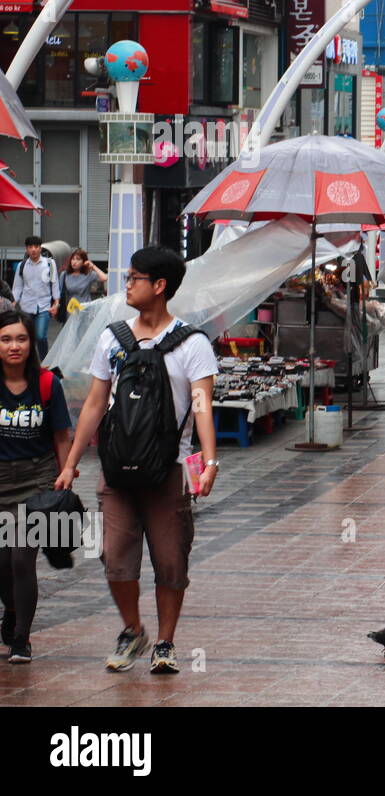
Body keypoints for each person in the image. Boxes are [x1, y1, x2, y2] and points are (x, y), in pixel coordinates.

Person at [55, 247, 219, 676]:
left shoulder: (193, 343)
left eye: (134, 278)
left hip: (171, 470)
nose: (125, 284)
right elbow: (93, 404)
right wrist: (72, 462)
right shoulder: (113, 338)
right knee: (115, 557)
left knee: (170, 561)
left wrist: (210, 461)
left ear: (159, 286)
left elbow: (202, 403)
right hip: (117, 469)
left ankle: (165, 642)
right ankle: (133, 629)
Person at [0, 311, 74, 664]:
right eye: (6, 339)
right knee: (2, 564)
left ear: (31, 343)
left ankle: (21, 639)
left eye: (21, 339)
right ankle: (11, 609)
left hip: (37, 480)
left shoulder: (47, 384)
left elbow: (61, 435)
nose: (14, 346)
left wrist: (67, 471)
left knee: (20, 557)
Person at [12, 237, 59, 360]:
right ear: (26, 249)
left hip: (44, 306)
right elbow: (17, 287)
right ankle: (29, 362)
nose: (33, 250)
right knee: (27, 337)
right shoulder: (21, 265)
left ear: (40, 248)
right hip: (26, 306)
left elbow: (54, 283)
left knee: (40, 336)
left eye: (36, 247)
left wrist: (56, 302)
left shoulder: (49, 263)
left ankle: (44, 362)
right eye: (30, 247)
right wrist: (13, 302)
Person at [59, 248, 108, 318]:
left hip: (86, 310)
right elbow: (59, 292)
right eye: (73, 259)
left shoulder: (88, 274)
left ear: (83, 262)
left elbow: (105, 278)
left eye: (78, 259)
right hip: (71, 310)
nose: (74, 262)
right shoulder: (64, 275)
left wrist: (93, 266)